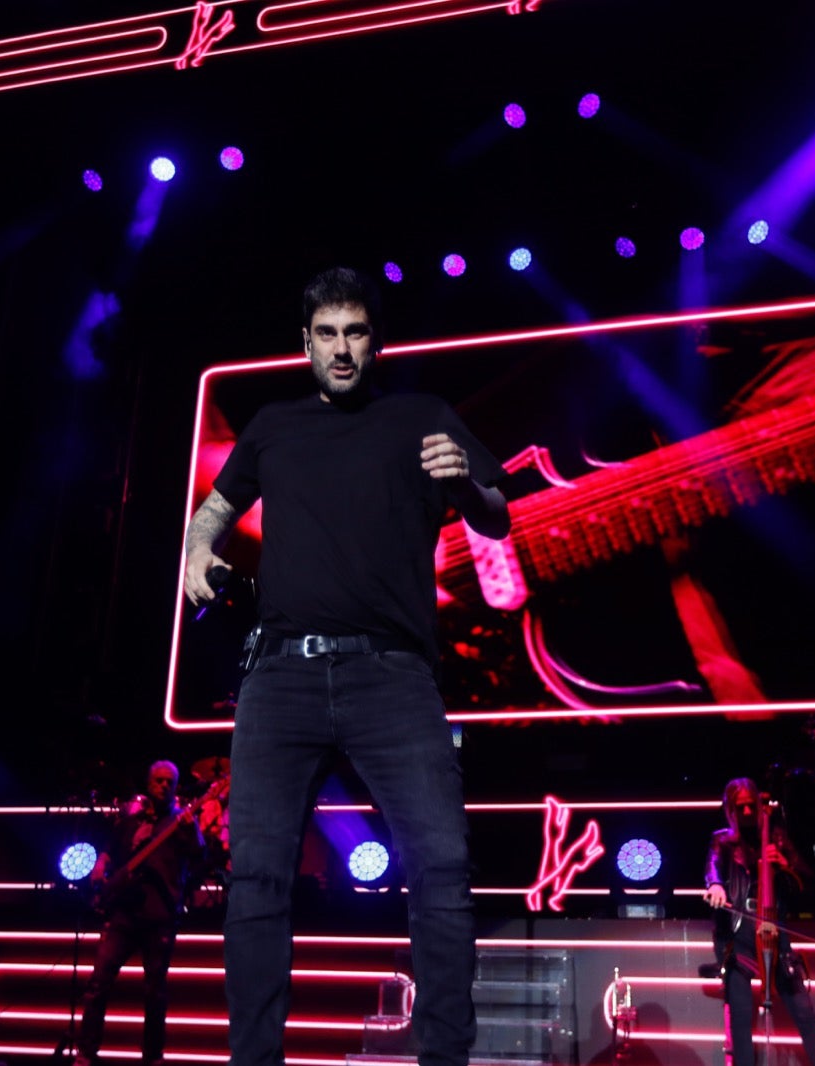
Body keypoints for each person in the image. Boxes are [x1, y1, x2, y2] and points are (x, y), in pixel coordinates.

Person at [183, 266, 510, 1066]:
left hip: (392, 679)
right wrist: (197, 550)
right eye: (326, 333)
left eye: (355, 332)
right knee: (256, 881)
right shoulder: (271, 426)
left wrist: (463, 481)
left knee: (440, 866)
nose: (341, 348)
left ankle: (444, 1058)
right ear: (305, 343)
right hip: (281, 680)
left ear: (377, 341)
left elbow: (497, 515)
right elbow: (217, 511)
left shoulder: (423, 417)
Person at [74, 760, 205, 1066]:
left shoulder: (181, 823)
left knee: (155, 991)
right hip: (123, 914)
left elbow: (200, 855)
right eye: (157, 780)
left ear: (175, 787)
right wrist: (101, 864)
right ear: (149, 784)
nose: (162, 785)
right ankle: (85, 1053)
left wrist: (192, 829)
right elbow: (111, 848)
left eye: (168, 781)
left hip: (159, 915)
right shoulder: (131, 822)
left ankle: (153, 1057)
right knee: (98, 984)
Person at [704, 778, 815, 1066]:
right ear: (730, 810)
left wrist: (786, 866)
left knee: (804, 1010)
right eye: (741, 808)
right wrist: (715, 885)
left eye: (753, 806)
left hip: (774, 929)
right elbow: (712, 866)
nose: (748, 813)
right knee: (740, 1012)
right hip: (740, 934)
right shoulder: (723, 840)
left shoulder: (775, 837)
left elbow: (809, 881)